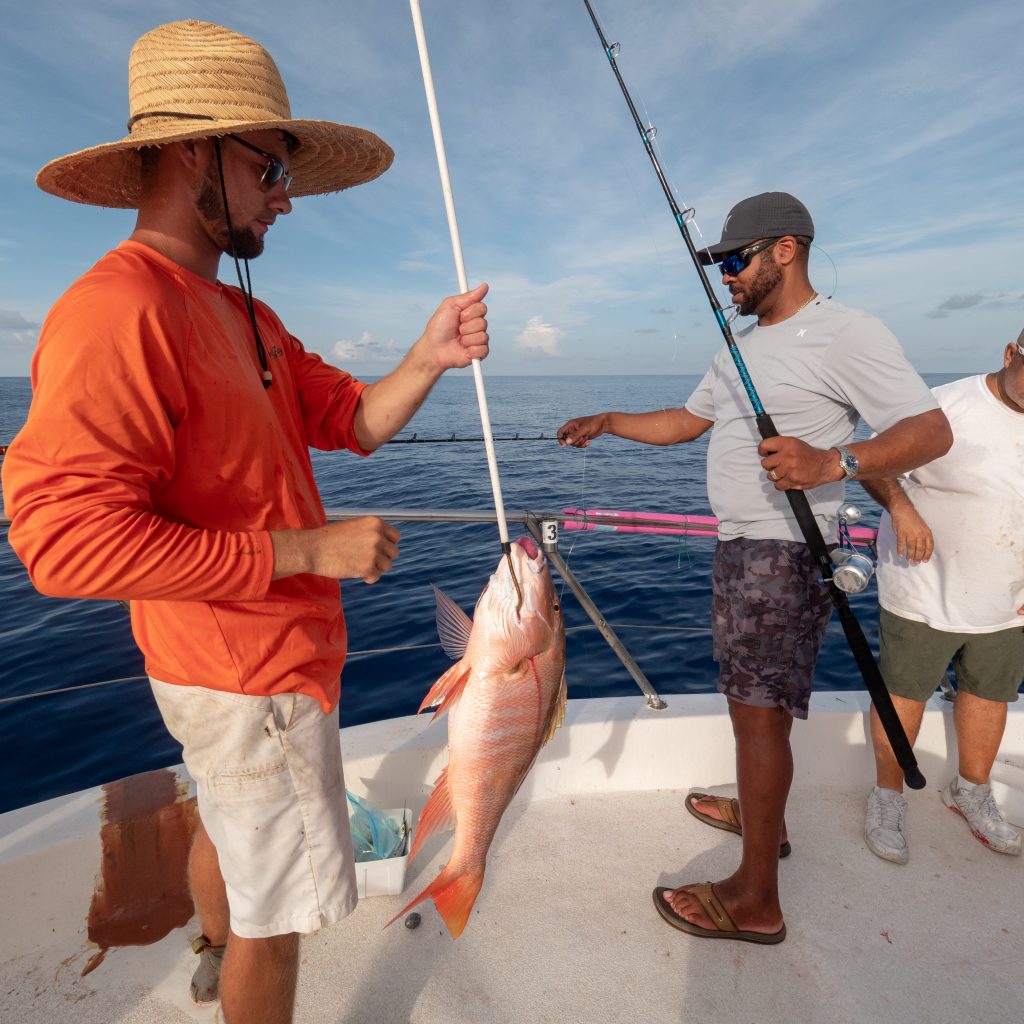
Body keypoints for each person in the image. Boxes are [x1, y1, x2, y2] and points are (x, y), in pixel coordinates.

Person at [1, 20, 489, 1024]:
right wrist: (307, 549)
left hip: (254, 667)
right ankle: (239, 955)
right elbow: (59, 542)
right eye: (270, 165)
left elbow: (352, 418)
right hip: (242, 674)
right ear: (192, 154)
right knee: (283, 917)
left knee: (230, 827)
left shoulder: (247, 318)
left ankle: (213, 947)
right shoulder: (117, 311)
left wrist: (430, 354)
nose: (286, 194)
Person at [557, 192, 952, 944]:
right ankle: (762, 820)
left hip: (783, 553)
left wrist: (834, 460)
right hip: (739, 550)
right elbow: (687, 422)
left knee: (759, 717)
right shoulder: (738, 348)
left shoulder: (846, 333)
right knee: (752, 712)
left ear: (784, 250)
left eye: (735, 260)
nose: (725, 278)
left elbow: (931, 430)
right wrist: (609, 420)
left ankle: (755, 900)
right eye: (720, 263)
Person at [861, 334, 1024, 863]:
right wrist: (903, 510)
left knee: (991, 694)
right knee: (903, 694)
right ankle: (887, 797)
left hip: (1007, 597)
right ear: (1009, 354)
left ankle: (971, 791)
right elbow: (870, 463)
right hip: (924, 588)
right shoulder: (943, 409)